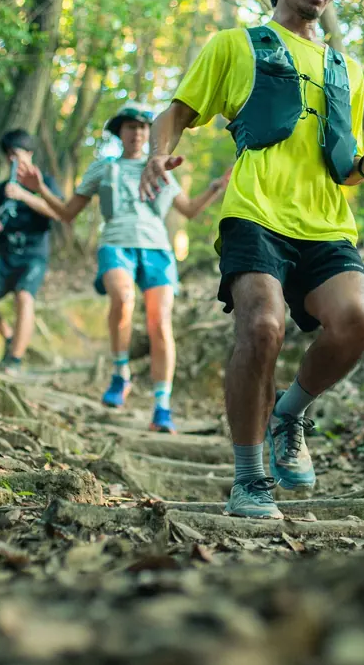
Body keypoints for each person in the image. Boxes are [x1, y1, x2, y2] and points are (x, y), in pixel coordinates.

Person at [140, 0, 364, 518]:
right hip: (255, 215)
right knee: (262, 326)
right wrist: (158, 153)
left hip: (326, 225)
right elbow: (175, 113)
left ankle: (288, 414)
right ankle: (250, 479)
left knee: (357, 318)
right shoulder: (237, 45)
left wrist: (363, 167)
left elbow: (341, 166)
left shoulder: (344, 70)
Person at [18, 105, 229, 433]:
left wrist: (216, 187)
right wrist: (39, 187)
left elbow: (188, 210)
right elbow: (66, 212)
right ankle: (121, 373)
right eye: (131, 127)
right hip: (116, 241)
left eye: (144, 127)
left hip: (157, 249)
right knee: (123, 297)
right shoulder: (104, 168)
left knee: (160, 324)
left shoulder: (160, 168)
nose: (138, 133)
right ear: (120, 132)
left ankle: (161, 406)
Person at [0, 129, 62, 375]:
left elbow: (58, 212)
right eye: (10, 155)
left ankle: (14, 359)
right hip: (1, 254)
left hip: (33, 255)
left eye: (18, 154)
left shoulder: (46, 183)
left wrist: (25, 195)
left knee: (24, 297)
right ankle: (10, 336)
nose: (14, 160)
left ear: (30, 154)